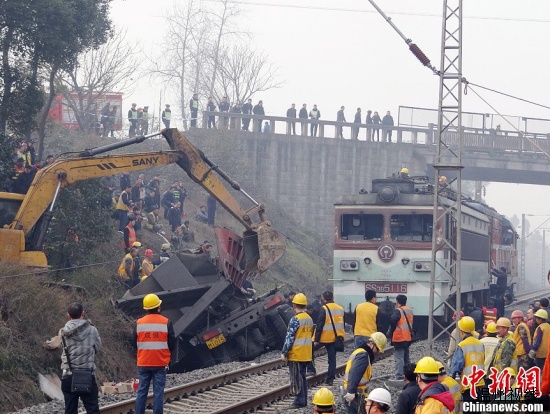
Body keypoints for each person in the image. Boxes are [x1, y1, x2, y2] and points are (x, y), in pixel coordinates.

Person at [134, 294, 176, 414]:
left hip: (143, 362)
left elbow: (134, 342)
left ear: (146, 308)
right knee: (158, 392)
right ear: (159, 307)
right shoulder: (166, 322)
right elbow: (172, 343)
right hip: (160, 362)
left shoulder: (139, 323)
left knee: (142, 390)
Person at [57, 303, 101, 414]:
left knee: (70, 410)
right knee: (92, 409)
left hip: (68, 375)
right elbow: (98, 348)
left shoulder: (62, 332)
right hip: (87, 375)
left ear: (68, 315)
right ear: (83, 314)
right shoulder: (92, 330)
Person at [281, 293, 313, 409]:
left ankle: (299, 401)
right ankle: (303, 400)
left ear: (294, 305)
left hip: (296, 354)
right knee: (303, 377)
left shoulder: (295, 319)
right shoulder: (309, 318)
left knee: (296, 378)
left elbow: (289, 338)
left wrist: (284, 352)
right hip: (306, 353)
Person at [343, 333, 386, 414]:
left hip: (354, 391)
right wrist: (351, 391)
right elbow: (355, 373)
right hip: (355, 393)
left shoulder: (361, 352)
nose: (377, 352)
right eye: (377, 349)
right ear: (371, 344)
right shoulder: (363, 355)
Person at [449, 316, 485, 406]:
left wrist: (450, 378)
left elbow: (457, 366)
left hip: (468, 384)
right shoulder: (480, 343)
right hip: (480, 383)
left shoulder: (462, 345)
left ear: (461, 331)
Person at [313, 291, 345, 386]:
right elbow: (342, 323)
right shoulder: (340, 308)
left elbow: (319, 325)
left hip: (324, 338)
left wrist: (316, 340)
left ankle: (311, 369)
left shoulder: (323, 309)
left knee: (309, 349)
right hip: (335, 338)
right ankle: (330, 379)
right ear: (333, 297)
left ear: (323, 298)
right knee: (332, 359)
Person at [388, 294, 414, 380]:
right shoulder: (409, 310)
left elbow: (392, 320)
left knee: (399, 358)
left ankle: (399, 376)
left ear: (397, 302)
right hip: (408, 337)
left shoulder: (398, 311)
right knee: (406, 358)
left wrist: (391, 331)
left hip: (399, 338)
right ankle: (408, 375)